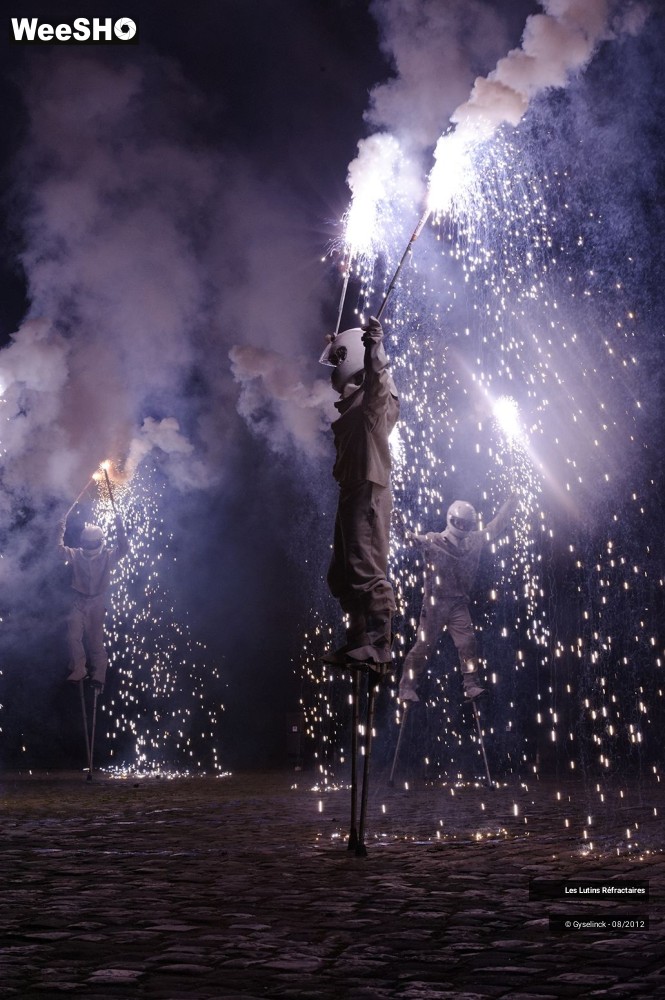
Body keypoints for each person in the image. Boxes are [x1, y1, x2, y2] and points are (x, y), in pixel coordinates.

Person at [320, 316, 400, 667]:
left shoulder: (371, 403)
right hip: (353, 489)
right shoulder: (355, 405)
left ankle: (379, 643)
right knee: (343, 573)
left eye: (340, 358)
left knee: (364, 567)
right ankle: (359, 639)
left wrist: (375, 349)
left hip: (368, 487)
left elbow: (379, 384)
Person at [398, 495, 518, 702]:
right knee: (423, 646)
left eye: (467, 524)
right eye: (460, 523)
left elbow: (496, 525)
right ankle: (406, 687)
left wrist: (512, 503)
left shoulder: (475, 540)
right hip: (435, 604)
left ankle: (471, 684)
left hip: (457, 604)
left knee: (468, 643)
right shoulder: (433, 540)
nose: (463, 527)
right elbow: (409, 539)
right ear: (451, 520)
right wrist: (397, 526)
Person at [57, 512, 129, 690]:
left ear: (100, 541)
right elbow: (58, 550)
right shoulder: (76, 555)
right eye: (87, 543)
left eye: (92, 543)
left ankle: (99, 674)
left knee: (95, 641)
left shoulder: (108, 556)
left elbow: (124, 549)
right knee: (73, 636)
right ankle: (79, 668)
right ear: (83, 543)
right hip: (79, 601)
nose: (90, 546)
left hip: (97, 603)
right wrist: (60, 527)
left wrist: (120, 527)